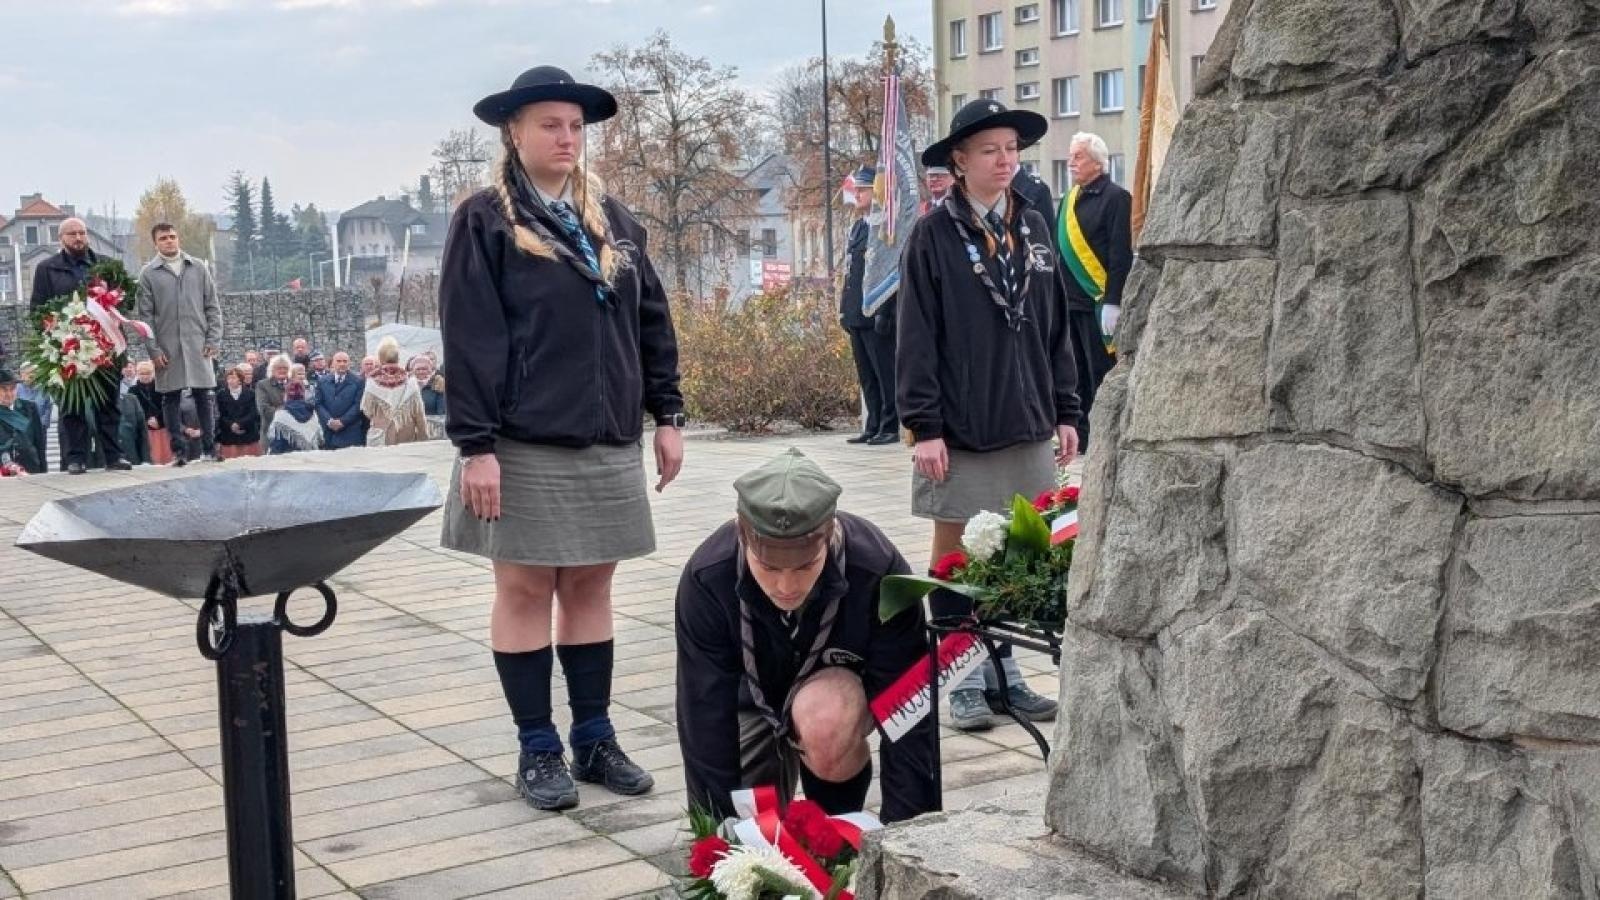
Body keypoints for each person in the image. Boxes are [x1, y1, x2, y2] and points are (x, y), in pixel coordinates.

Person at [440, 64, 686, 812]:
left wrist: (668, 416)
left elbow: (651, 321)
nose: (566, 137)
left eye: (576, 125)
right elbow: (470, 336)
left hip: (606, 438)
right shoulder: (485, 220)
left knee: (590, 586)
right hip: (521, 442)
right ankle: (537, 747)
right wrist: (476, 447)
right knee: (523, 590)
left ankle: (595, 737)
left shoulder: (614, 220)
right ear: (513, 131)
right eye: (549, 124)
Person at [899, 99, 1081, 730]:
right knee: (957, 556)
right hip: (962, 429)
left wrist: (1066, 408)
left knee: (1016, 557)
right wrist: (925, 426)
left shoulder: (1033, 225)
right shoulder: (933, 236)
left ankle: (1005, 673)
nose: (1005, 161)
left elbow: (1055, 327)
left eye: (1011, 149)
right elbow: (916, 335)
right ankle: (962, 680)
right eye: (989, 150)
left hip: (1027, 420)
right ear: (959, 159)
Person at [675, 449, 936, 823]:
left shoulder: (878, 571)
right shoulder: (707, 578)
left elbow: (907, 708)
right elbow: (703, 713)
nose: (786, 586)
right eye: (768, 567)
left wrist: (907, 830)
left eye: (804, 566)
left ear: (829, 535)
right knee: (743, 829)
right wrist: (716, 832)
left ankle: (835, 828)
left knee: (824, 721)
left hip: (833, 696)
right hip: (750, 700)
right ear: (741, 536)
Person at [30, 217, 130, 474]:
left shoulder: (106, 266)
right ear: (61, 238)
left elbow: (123, 306)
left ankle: (114, 456)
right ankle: (76, 458)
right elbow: (37, 309)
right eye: (72, 233)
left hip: (105, 347)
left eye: (82, 232)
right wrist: (56, 336)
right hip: (69, 348)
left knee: (109, 405)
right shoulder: (47, 268)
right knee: (71, 406)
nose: (78, 238)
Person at [1057, 131, 1132, 450]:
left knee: (1099, 373)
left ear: (1098, 163)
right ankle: (1081, 436)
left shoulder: (1117, 198)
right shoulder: (1069, 199)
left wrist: (1114, 300)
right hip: (1070, 302)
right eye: (1070, 156)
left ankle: (1105, 436)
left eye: (1078, 156)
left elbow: (1120, 254)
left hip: (1098, 303)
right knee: (1075, 376)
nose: (1071, 162)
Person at [135, 222, 223, 466]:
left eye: (172, 236)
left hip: (198, 343)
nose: (169, 241)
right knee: (170, 397)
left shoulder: (198, 267)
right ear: (155, 243)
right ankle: (179, 452)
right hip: (167, 346)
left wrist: (213, 339)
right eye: (163, 238)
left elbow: (212, 307)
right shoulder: (148, 274)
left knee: (203, 395)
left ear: (178, 238)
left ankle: (210, 448)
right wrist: (153, 350)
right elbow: (145, 317)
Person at [839, 167, 898, 447]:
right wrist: (844, 309)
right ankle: (872, 424)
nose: (857, 194)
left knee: (885, 372)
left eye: (863, 190)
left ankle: (890, 425)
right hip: (857, 312)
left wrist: (885, 311)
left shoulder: (883, 228)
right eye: (857, 190)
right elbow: (851, 272)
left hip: (875, 312)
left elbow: (888, 273)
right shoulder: (859, 226)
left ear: (876, 193)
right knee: (867, 376)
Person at [361, 336, 429, 446]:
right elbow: (419, 414)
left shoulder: (372, 382)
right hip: (406, 436)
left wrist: (382, 416)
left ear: (380, 357)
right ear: (398, 357)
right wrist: (423, 438)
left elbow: (367, 410)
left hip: (381, 435)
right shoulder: (410, 382)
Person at [0, 368, 48, 474]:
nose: (9, 394)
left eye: (12, 389)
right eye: (4, 389)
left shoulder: (30, 407)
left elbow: (39, 443)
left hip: (31, 468)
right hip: (3, 472)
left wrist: (43, 471)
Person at [316, 351, 366, 449]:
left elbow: (358, 405)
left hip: (350, 433)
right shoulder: (322, 381)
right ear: (333, 363)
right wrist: (329, 420)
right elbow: (318, 404)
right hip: (328, 433)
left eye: (345, 361)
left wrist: (342, 421)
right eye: (338, 361)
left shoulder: (358, 382)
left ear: (349, 363)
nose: (342, 364)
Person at [215, 366, 260, 458]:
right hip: (228, 436)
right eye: (229, 378)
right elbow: (220, 414)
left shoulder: (251, 393)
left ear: (240, 380)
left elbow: (253, 412)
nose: (230, 381)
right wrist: (231, 425)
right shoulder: (221, 395)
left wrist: (240, 424)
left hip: (248, 434)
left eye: (233, 378)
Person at [266, 380, 322, 453]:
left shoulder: (281, 414)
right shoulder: (313, 414)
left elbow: (276, 443)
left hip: (287, 456)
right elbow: (320, 439)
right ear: (303, 394)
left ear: (286, 395)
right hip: (310, 455)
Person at [255, 354, 291, 453]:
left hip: (291, 434)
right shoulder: (262, 385)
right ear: (272, 370)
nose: (282, 370)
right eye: (279, 368)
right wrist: (285, 413)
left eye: (285, 368)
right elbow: (263, 409)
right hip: (271, 433)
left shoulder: (294, 384)